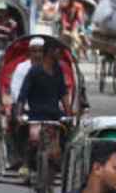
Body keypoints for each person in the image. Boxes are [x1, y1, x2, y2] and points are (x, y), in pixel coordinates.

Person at [15, 43, 73, 172]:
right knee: (28, 137)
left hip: (54, 115)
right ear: (50, 52)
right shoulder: (34, 71)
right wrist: (19, 114)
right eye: (57, 51)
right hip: (36, 114)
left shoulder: (58, 70)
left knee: (68, 134)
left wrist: (69, 114)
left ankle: (64, 164)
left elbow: (63, 93)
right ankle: (25, 163)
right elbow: (23, 94)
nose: (60, 54)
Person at [4, 38, 45, 169]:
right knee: (17, 122)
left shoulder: (50, 67)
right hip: (25, 106)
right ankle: (17, 156)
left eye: (40, 51)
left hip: (46, 108)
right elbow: (16, 91)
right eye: (34, 51)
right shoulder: (22, 68)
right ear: (29, 52)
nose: (37, 54)